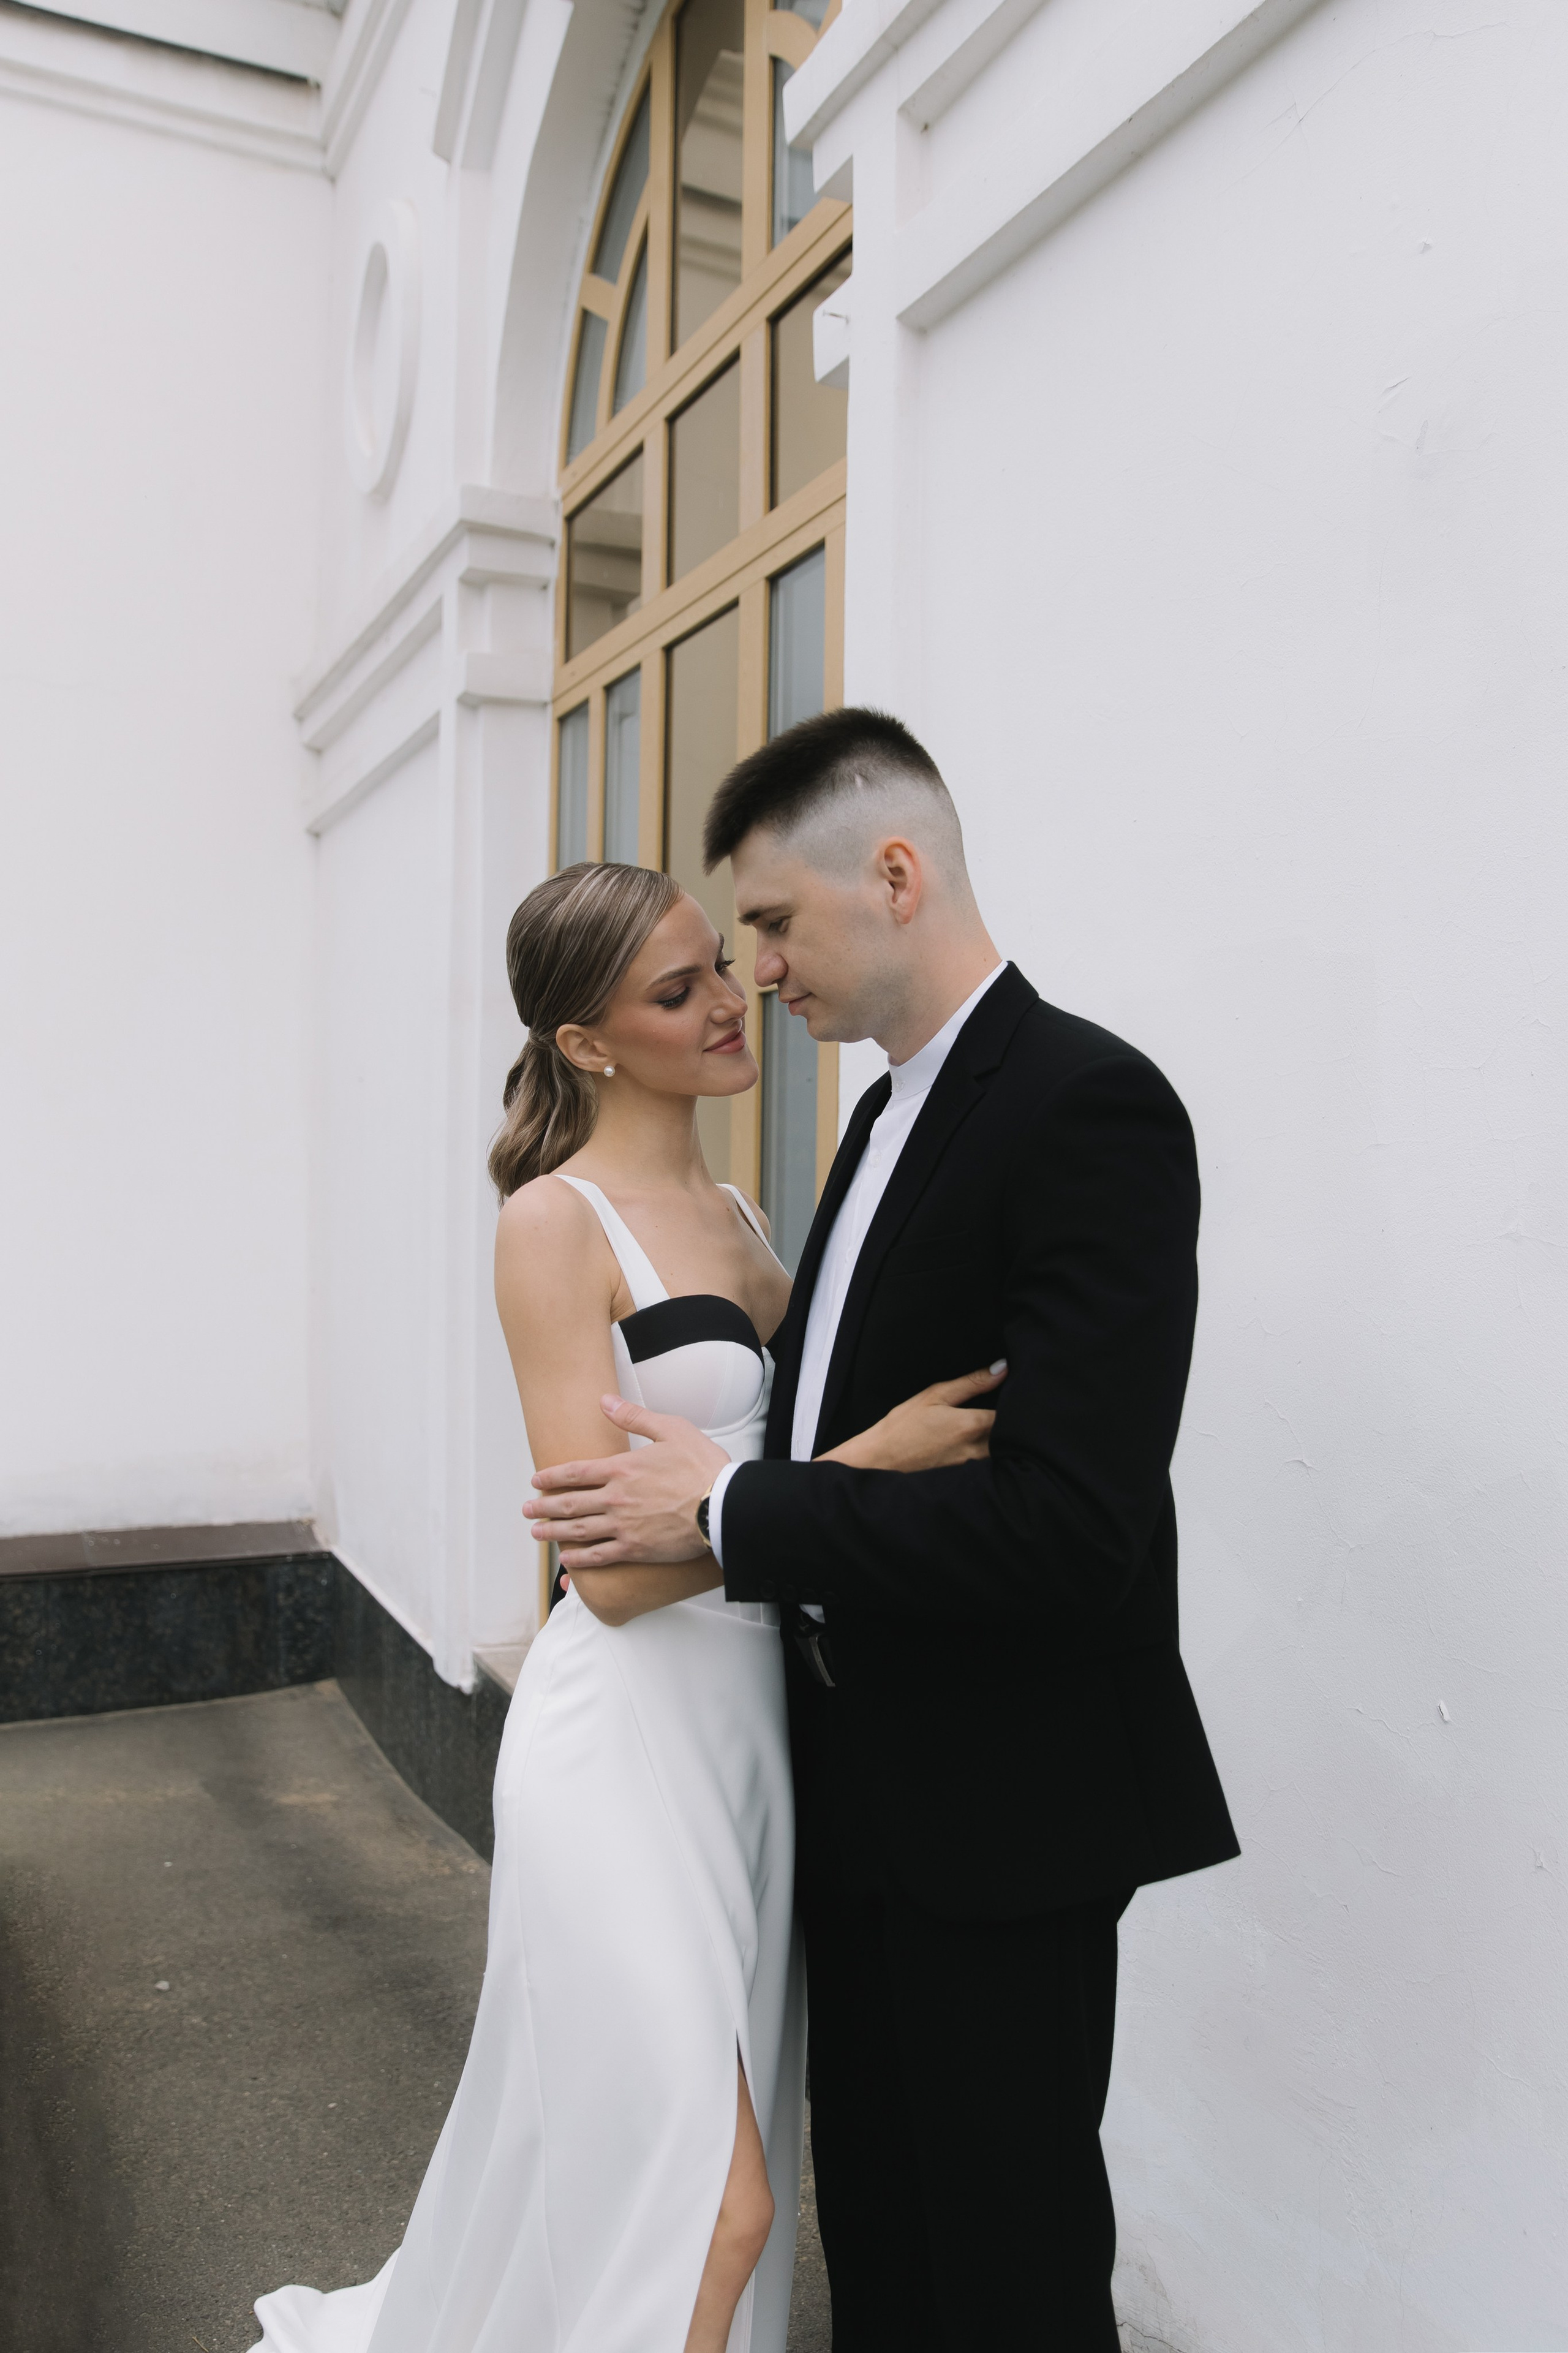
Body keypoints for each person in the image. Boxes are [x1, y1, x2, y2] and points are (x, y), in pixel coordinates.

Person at [524, 711, 1242, 2351]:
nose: (755, 971)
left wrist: (729, 1504)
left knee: (1012, 2275)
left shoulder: (1088, 1106)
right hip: (849, 1799)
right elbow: (866, 1452)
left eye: (769, 923)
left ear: (896, 874)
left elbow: (1070, 1526)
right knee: (895, 2265)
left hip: (1005, 1807)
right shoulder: (869, 1123)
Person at [251, 859, 998, 2353]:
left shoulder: (737, 1207)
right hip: (620, 1743)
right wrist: (870, 1458)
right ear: (586, 1044)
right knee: (711, 2203)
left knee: (704, 2184)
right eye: (676, 991)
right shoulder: (553, 1222)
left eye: (720, 963)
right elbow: (610, 1567)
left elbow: (755, 1478)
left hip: (751, 1748)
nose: (729, 1001)